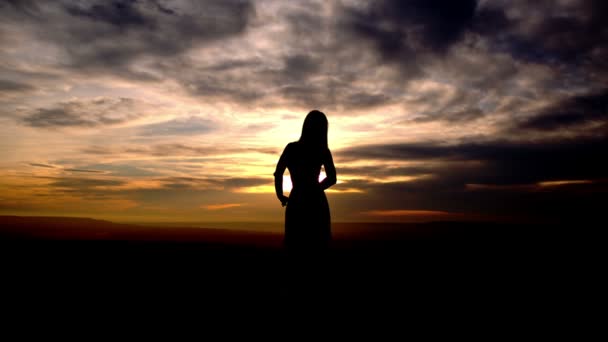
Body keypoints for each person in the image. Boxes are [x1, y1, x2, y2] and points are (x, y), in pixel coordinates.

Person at [274, 110, 337, 256]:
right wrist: (316, 189)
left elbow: (278, 173)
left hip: (296, 200)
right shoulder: (323, 150)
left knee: (295, 242)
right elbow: (332, 178)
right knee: (319, 243)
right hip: (317, 202)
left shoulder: (291, 148)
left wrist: (280, 195)